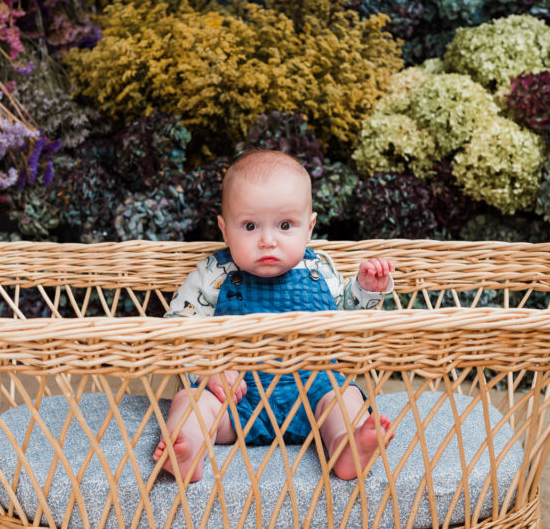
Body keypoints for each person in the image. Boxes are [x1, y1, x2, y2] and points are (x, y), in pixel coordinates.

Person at [152, 149, 396, 482]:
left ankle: (346, 445)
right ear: (225, 230)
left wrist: (367, 289)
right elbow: (177, 329)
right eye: (250, 226)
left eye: (285, 225)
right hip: (238, 399)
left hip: (315, 394)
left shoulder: (319, 269)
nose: (268, 241)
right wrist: (209, 368)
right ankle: (188, 448)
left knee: (346, 396)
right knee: (190, 399)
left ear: (309, 228)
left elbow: (350, 318)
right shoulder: (213, 272)